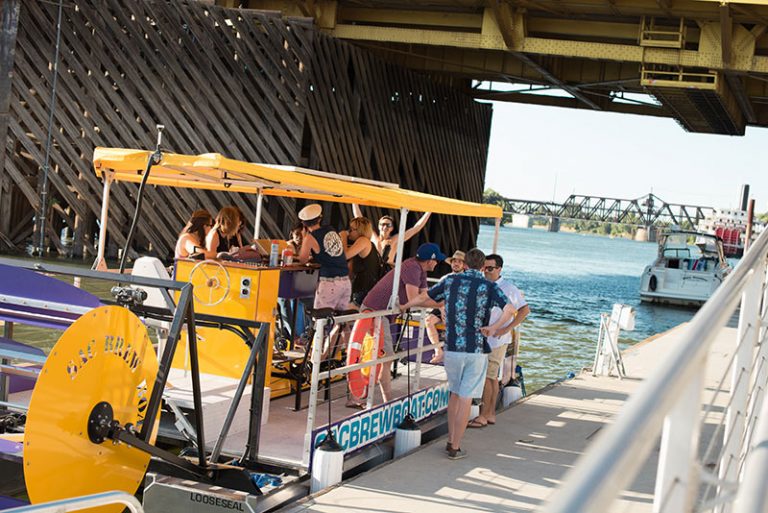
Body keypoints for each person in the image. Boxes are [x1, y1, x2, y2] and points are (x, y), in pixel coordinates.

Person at [401, 248, 517, 460]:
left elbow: (423, 297)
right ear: (482, 267)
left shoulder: (450, 281)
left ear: (465, 264)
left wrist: (403, 306)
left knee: (454, 394)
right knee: (465, 398)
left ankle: (449, 439)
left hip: (453, 347)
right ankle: (455, 446)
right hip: (476, 349)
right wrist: (494, 327)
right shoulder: (489, 286)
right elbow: (510, 310)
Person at [356, 242, 446, 404]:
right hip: (375, 311)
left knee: (384, 355)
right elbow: (414, 299)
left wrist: (440, 304)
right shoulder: (412, 268)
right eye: (436, 260)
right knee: (386, 356)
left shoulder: (420, 269)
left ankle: (382, 398)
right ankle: (385, 399)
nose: (437, 263)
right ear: (429, 260)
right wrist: (440, 305)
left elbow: (424, 296)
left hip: (383, 313)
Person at [468, 254, 530, 428]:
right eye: (484, 268)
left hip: (496, 339)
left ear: (499, 269)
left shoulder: (508, 288)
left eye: (490, 268)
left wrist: (506, 329)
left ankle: (484, 415)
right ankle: (490, 413)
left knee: (489, 377)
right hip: (485, 337)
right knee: (492, 377)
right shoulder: (484, 285)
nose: (486, 271)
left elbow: (524, 310)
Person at [353, 204, 432, 267]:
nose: (385, 227)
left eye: (388, 225)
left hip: (386, 272)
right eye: (383, 224)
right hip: (372, 272)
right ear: (378, 226)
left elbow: (416, 228)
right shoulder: (374, 238)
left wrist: (429, 211)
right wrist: (354, 202)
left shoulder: (394, 240)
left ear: (392, 228)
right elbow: (359, 219)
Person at [425, 250, 466, 364]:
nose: (456, 264)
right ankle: (438, 351)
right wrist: (442, 308)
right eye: (454, 261)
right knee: (428, 320)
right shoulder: (445, 278)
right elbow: (436, 295)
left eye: (459, 262)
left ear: (464, 265)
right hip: (443, 305)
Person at [340, 217, 379, 309]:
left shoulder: (363, 241)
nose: (349, 232)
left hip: (364, 289)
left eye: (351, 229)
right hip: (361, 288)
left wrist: (343, 237)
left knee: (350, 318)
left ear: (360, 230)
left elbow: (345, 255)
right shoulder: (362, 244)